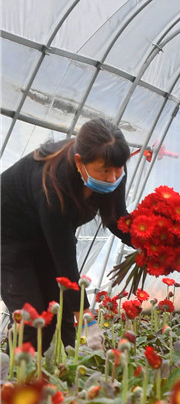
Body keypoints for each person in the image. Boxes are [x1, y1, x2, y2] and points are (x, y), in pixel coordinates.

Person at [1, 118, 133, 350]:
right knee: (32, 320)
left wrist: (151, 243)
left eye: (118, 169)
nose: (113, 178)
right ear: (79, 162)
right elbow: (64, 260)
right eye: (105, 171)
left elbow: (117, 218)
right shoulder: (53, 184)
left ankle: (65, 380)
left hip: (46, 236)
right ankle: (16, 380)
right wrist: (87, 318)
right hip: (9, 238)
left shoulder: (112, 164)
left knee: (60, 314)